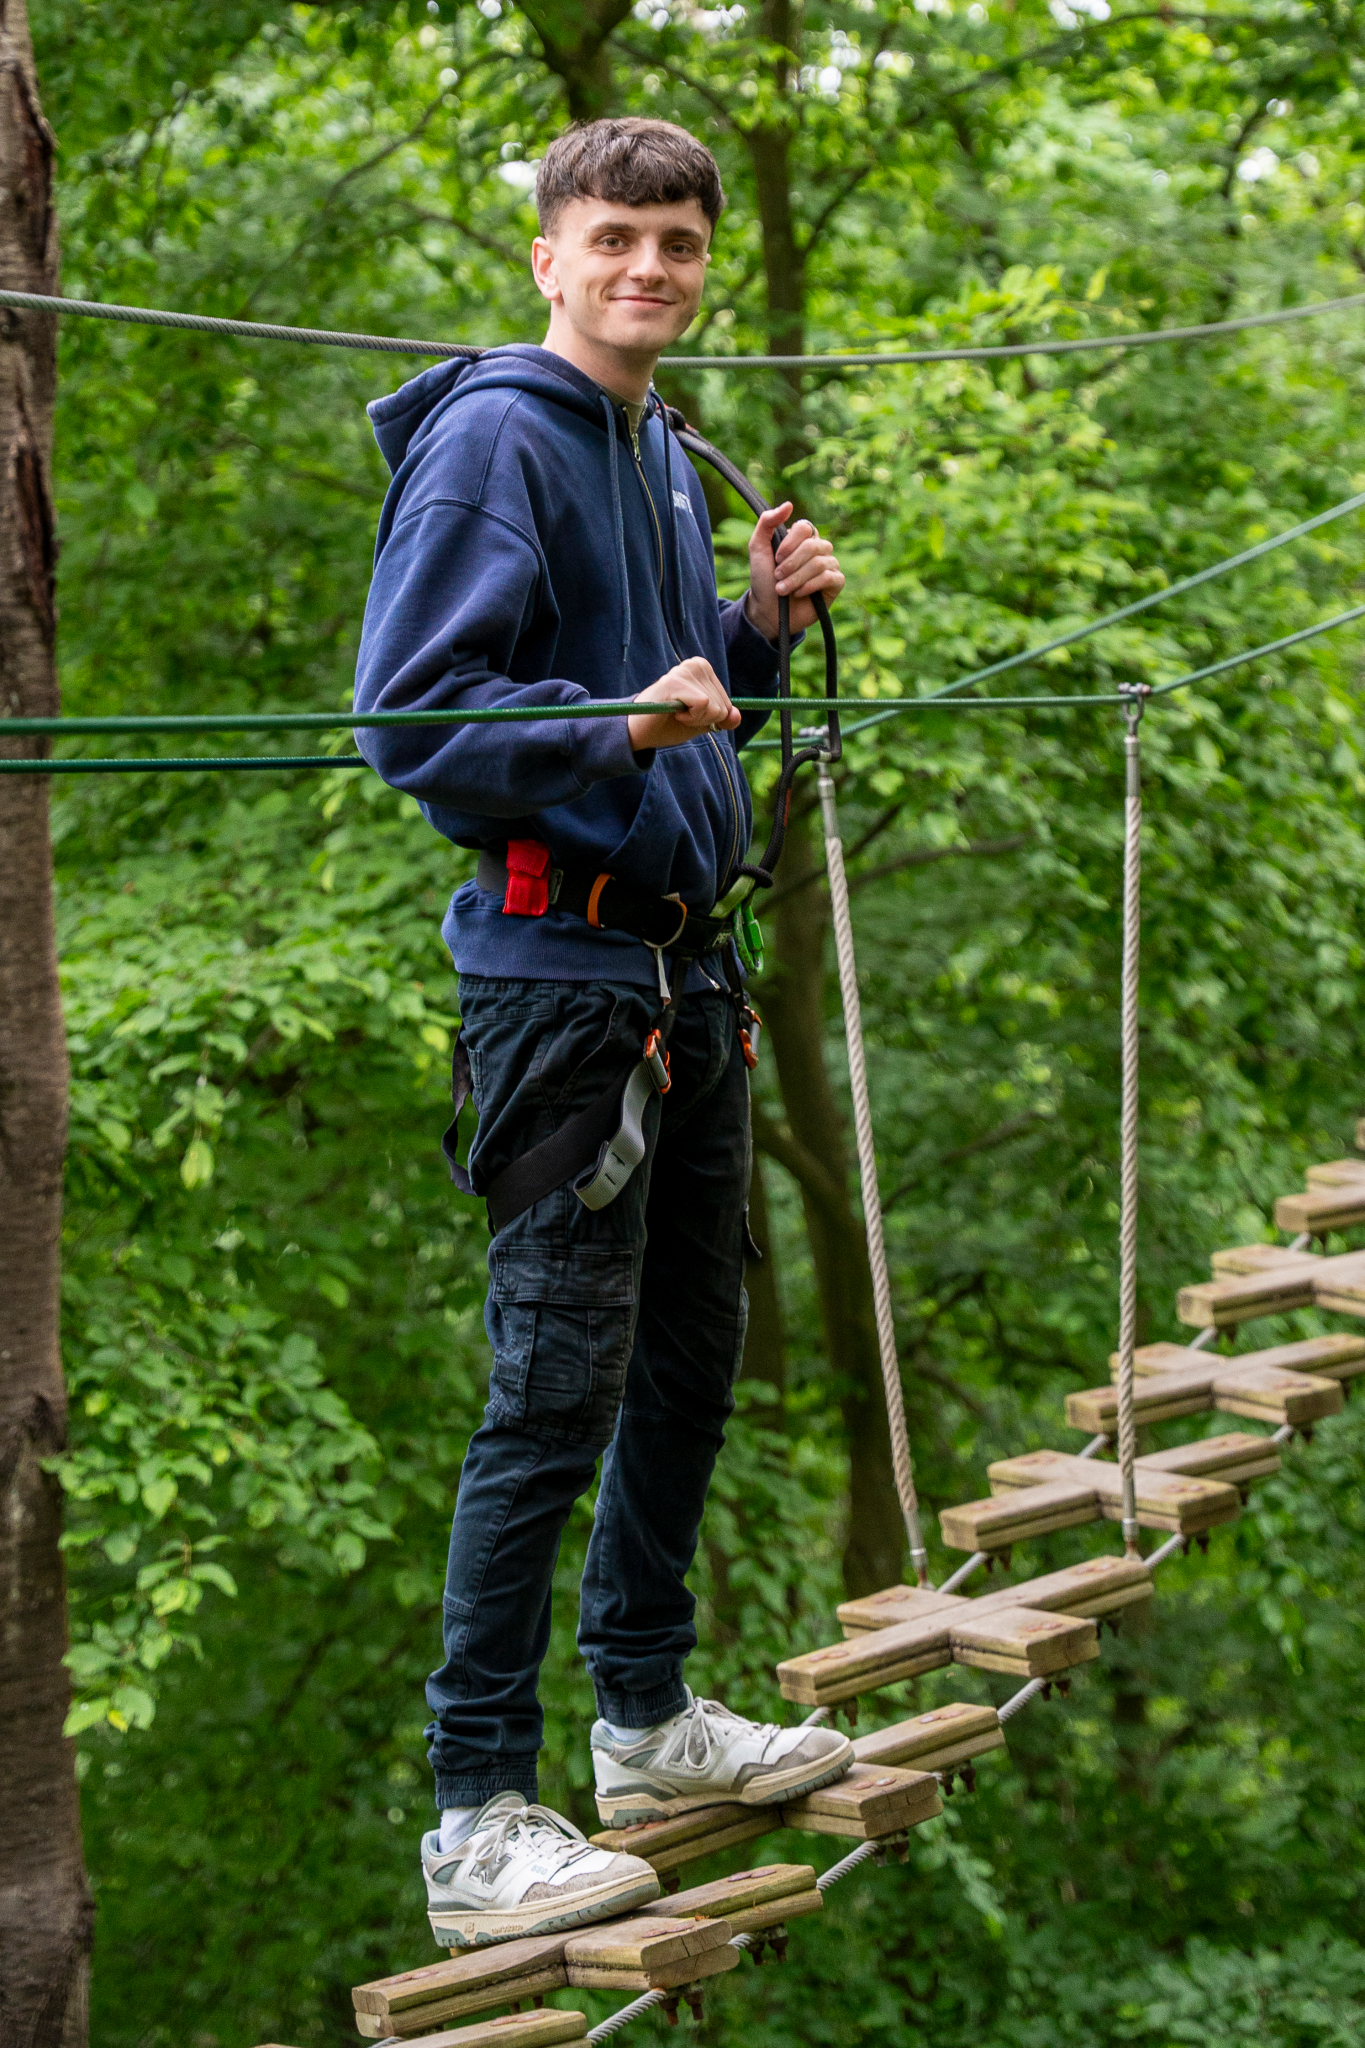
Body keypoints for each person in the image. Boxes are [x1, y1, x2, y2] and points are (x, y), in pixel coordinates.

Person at [355, 116, 851, 1951]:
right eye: (617, 239)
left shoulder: (645, 449)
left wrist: (752, 629)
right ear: (549, 257)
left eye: (679, 244)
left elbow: (653, 697)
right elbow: (415, 720)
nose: (651, 269)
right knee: (551, 1392)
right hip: (560, 991)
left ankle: (642, 1724)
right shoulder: (499, 436)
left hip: (677, 974)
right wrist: (625, 729)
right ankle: (475, 1814)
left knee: (687, 1363)